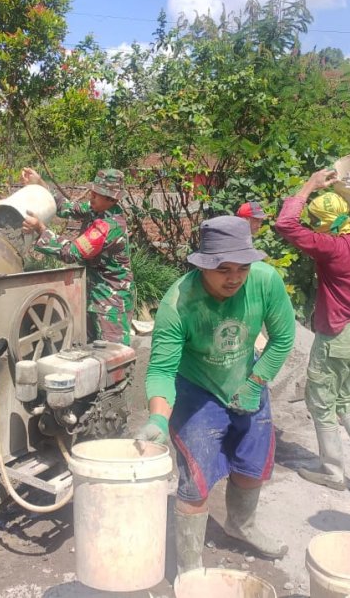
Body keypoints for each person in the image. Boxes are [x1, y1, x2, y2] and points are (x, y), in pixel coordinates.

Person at [135, 215, 296, 574]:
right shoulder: (178, 303)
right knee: (196, 481)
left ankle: (241, 525)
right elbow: (161, 370)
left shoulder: (266, 281)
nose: (234, 278)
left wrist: (256, 382)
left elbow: (283, 337)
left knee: (252, 463)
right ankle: (189, 567)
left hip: (248, 378)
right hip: (197, 389)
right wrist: (158, 418)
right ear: (203, 265)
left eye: (242, 268)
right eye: (223, 269)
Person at [274, 168, 350, 492]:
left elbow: (285, 224)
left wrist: (309, 185)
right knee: (347, 399)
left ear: (322, 222)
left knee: (322, 402)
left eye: (315, 221)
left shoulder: (331, 247)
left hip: (336, 335)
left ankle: (332, 471)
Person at [21, 167, 135, 345]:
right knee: (91, 350)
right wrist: (40, 183)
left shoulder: (109, 226)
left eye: (97, 194)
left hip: (110, 302)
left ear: (111, 199)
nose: (91, 196)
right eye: (92, 192)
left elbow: (71, 253)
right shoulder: (98, 209)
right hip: (94, 293)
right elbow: (66, 207)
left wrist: (41, 230)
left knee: (113, 352)